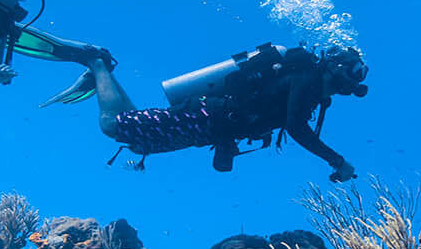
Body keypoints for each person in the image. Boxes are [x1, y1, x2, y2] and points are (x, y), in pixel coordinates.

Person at [37, 39, 368, 181]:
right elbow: (296, 128)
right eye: (352, 75)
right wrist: (336, 160)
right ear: (337, 68)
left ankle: (103, 73)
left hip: (210, 126)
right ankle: (96, 62)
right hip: (207, 117)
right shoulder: (307, 79)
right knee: (113, 126)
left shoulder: (307, 84)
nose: (351, 86)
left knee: (140, 140)